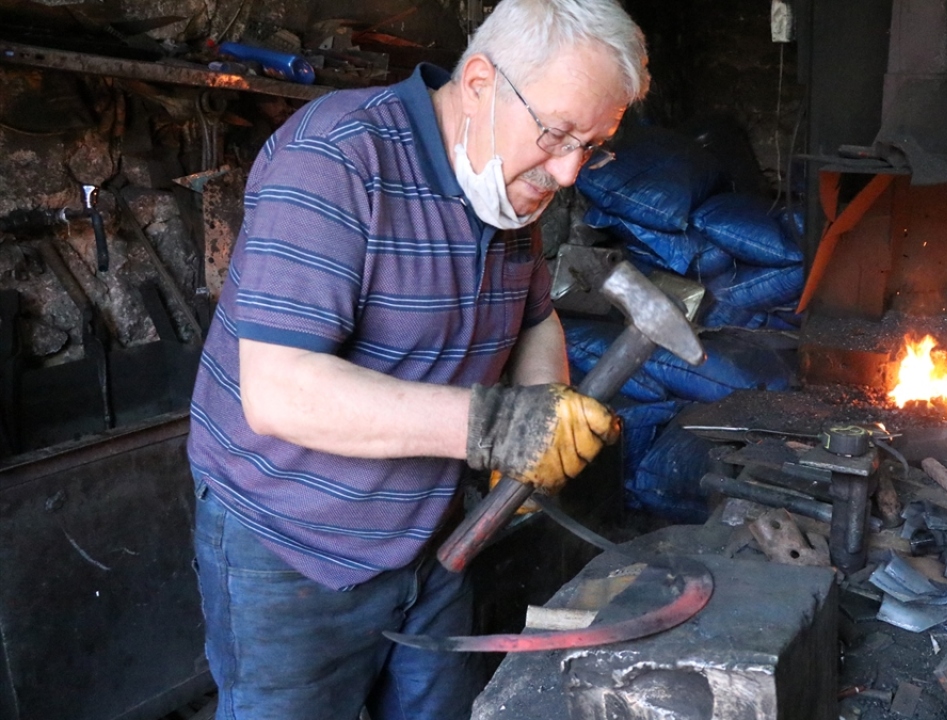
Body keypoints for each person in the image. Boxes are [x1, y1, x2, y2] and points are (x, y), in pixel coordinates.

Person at [185, 1, 649, 718]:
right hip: (293, 553)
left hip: (432, 544)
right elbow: (280, 391)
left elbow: (536, 318)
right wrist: (498, 424)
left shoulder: (502, 190)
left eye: (592, 146)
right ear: (479, 82)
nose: (566, 172)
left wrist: (541, 405)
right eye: (557, 135)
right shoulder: (337, 157)